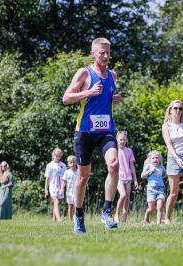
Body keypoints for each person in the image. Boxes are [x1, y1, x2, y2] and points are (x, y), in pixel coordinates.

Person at [62, 37, 121, 234]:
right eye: (101, 52)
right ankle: (79, 216)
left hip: (106, 131)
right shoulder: (84, 73)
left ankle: (106, 211)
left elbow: (109, 99)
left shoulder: (112, 75)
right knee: (83, 176)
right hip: (85, 132)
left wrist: (115, 99)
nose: (105, 56)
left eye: (108, 52)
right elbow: (66, 98)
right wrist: (87, 92)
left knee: (114, 165)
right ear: (93, 53)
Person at [162, 100, 183, 224]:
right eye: (175, 108)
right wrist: (177, 158)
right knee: (174, 193)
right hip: (173, 159)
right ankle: (167, 217)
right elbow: (169, 145)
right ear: (170, 110)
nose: (178, 111)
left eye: (180, 108)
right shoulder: (166, 126)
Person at [114, 131, 138, 224]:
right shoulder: (115, 150)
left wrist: (135, 179)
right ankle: (116, 215)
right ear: (117, 140)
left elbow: (132, 166)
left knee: (127, 198)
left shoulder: (129, 151)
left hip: (128, 177)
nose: (122, 141)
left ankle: (124, 218)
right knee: (123, 195)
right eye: (120, 140)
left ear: (126, 140)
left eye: (124, 140)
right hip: (118, 177)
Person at [141, 151, 166, 224]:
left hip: (160, 189)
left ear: (160, 159)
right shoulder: (148, 166)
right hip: (151, 189)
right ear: (150, 160)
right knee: (151, 208)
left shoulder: (161, 167)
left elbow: (164, 174)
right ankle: (147, 215)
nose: (155, 159)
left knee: (160, 207)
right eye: (153, 158)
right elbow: (142, 176)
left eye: (157, 158)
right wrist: (149, 171)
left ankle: (158, 224)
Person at [44, 148, 67, 222]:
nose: (57, 157)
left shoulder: (63, 165)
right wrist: (46, 189)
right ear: (52, 156)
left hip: (60, 187)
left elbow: (65, 177)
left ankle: (54, 219)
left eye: (59, 156)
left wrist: (63, 187)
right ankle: (59, 219)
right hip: (53, 186)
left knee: (57, 202)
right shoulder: (49, 165)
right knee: (56, 201)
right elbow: (47, 178)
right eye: (56, 156)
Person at [60, 155, 78, 221]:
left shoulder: (78, 171)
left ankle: (76, 219)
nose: (72, 164)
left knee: (77, 206)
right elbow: (64, 181)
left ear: (76, 163)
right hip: (69, 192)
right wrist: (62, 189)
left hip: (77, 192)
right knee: (70, 206)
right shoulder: (67, 172)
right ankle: (70, 220)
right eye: (71, 162)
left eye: (74, 162)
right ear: (68, 163)